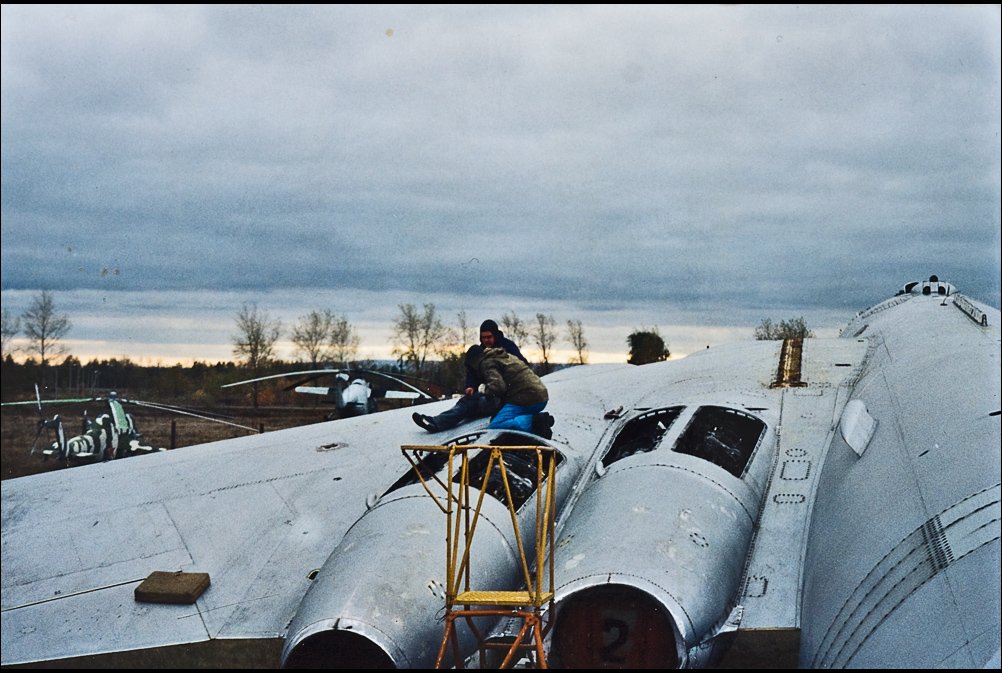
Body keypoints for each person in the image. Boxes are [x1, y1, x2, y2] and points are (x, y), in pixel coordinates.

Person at [412, 319, 529, 433]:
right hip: (488, 393)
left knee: (473, 403)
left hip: (506, 397)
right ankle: (437, 422)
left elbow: (523, 368)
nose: (486, 340)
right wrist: (471, 386)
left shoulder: (507, 347)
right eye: (484, 338)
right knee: (468, 402)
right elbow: (472, 371)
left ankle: (437, 423)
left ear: (495, 335)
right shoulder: (480, 351)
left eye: (489, 337)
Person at [464, 344, 554, 438]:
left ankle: (536, 422)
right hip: (540, 396)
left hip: (527, 398)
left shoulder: (486, 362)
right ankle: (538, 420)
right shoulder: (502, 356)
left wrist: (484, 389)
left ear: (474, 361)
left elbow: (498, 387)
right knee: (499, 416)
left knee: (496, 425)